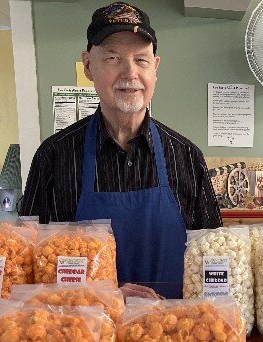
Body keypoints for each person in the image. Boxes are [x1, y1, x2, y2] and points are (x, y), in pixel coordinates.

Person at [19, 2, 222, 299]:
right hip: (82, 336)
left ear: (155, 68)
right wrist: (103, 295)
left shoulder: (187, 158)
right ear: (88, 65)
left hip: (172, 334)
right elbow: (28, 269)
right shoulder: (54, 157)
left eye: (141, 60)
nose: (130, 73)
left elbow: (214, 260)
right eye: (113, 58)